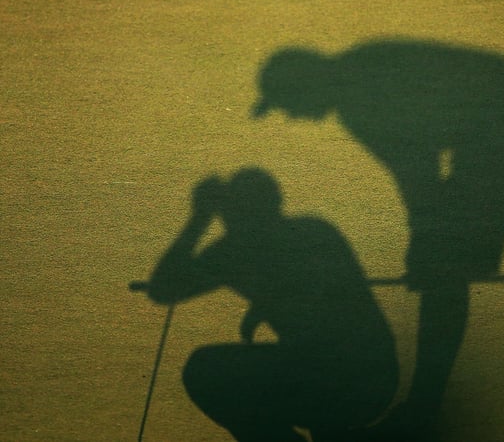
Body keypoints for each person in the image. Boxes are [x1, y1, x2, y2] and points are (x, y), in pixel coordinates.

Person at [252, 39, 504, 439]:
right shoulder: (356, 84)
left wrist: (426, 238)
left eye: (285, 103)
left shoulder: (359, 104)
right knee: (441, 263)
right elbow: (421, 173)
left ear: (305, 85)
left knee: (442, 267)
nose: (291, 116)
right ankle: (426, 400)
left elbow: (417, 175)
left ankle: (426, 404)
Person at [146, 168, 398, 442]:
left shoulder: (241, 250)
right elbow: (164, 290)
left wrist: (199, 218)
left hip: (345, 377)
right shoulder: (311, 232)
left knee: (204, 371)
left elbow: (165, 288)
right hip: (370, 377)